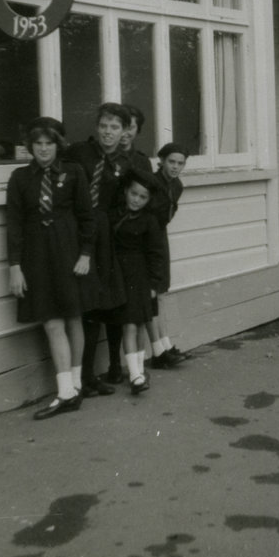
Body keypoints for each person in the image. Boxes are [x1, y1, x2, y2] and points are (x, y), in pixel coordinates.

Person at [5, 117, 95, 420]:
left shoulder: (73, 172)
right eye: (38, 144)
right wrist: (15, 266)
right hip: (36, 255)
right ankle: (66, 391)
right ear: (30, 146)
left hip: (68, 250)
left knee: (73, 316)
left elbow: (87, 216)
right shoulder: (19, 178)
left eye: (49, 143)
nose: (43, 149)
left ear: (58, 145)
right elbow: (14, 224)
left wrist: (85, 253)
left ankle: (76, 385)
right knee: (50, 321)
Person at [65, 102, 131, 396]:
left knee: (97, 303)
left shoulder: (125, 163)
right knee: (81, 303)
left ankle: (91, 375)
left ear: (124, 132)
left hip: (104, 237)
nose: (108, 132)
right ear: (96, 127)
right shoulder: (79, 153)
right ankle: (81, 376)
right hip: (75, 230)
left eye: (114, 127)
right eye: (104, 126)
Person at [108, 168, 165, 395]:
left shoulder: (149, 221)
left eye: (143, 197)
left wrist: (153, 284)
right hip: (119, 276)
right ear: (125, 191)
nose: (137, 200)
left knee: (139, 324)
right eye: (134, 194)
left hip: (140, 276)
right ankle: (135, 374)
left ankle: (138, 372)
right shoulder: (114, 215)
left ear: (148, 200)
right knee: (129, 325)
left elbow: (155, 254)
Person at [147, 142, 188, 369]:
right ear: (161, 160)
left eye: (180, 163)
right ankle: (158, 351)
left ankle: (165, 345)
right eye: (171, 162)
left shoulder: (177, 186)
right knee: (151, 294)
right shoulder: (151, 183)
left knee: (161, 291)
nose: (175, 167)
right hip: (145, 241)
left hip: (159, 238)